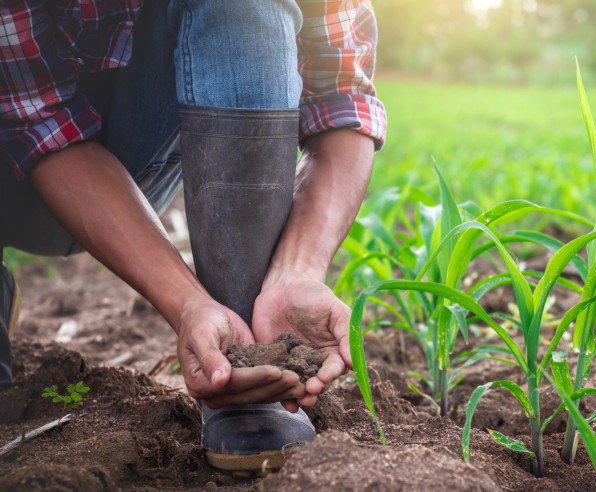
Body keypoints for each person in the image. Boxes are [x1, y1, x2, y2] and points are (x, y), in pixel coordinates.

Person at [0, 0, 386, 473]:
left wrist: (296, 269)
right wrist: (184, 302)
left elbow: (343, 100)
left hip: (124, 155)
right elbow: (38, 122)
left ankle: (242, 353)